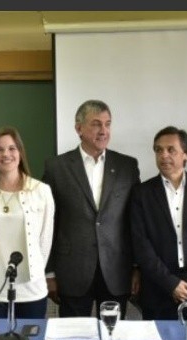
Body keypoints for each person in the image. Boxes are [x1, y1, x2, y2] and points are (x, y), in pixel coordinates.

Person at [43, 99, 140, 318]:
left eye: (108, 124)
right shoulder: (56, 168)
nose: (103, 130)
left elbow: (134, 221)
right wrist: (49, 272)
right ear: (79, 128)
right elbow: (48, 223)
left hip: (116, 270)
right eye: (96, 124)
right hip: (72, 271)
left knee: (112, 337)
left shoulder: (127, 166)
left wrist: (137, 267)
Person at [130, 126, 187, 320]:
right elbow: (140, 243)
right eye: (158, 150)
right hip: (158, 287)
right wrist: (171, 284)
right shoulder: (142, 193)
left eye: (171, 150)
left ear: (186, 155)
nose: (164, 155)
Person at [0, 126, 55, 318]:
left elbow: (45, 241)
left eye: (11, 148)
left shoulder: (41, 191)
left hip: (30, 290)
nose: (6, 154)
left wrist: (35, 276)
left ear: (20, 152)